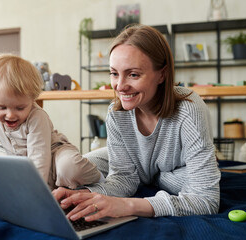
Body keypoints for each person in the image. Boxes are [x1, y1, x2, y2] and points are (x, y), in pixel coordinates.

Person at [52, 24, 221, 222]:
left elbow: (207, 200)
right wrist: (86, 195)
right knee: (75, 170)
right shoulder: (116, 113)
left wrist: (128, 205)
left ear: (162, 74)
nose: (120, 86)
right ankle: (155, 175)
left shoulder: (189, 109)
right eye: (114, 73)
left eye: (133, 74)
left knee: (172, 180)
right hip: (136, 164)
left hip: (176, 167)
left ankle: (159, 176)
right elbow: (124, 178)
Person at [0, 53, 102, 190]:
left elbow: (39, 160)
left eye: (20, 108)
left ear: (32, 99)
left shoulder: (37, 117)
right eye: (1, 107)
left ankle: (99, 177)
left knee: (70, 168)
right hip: (28, 167)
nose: (10, 115)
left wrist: (36, 195)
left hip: (54, 156)